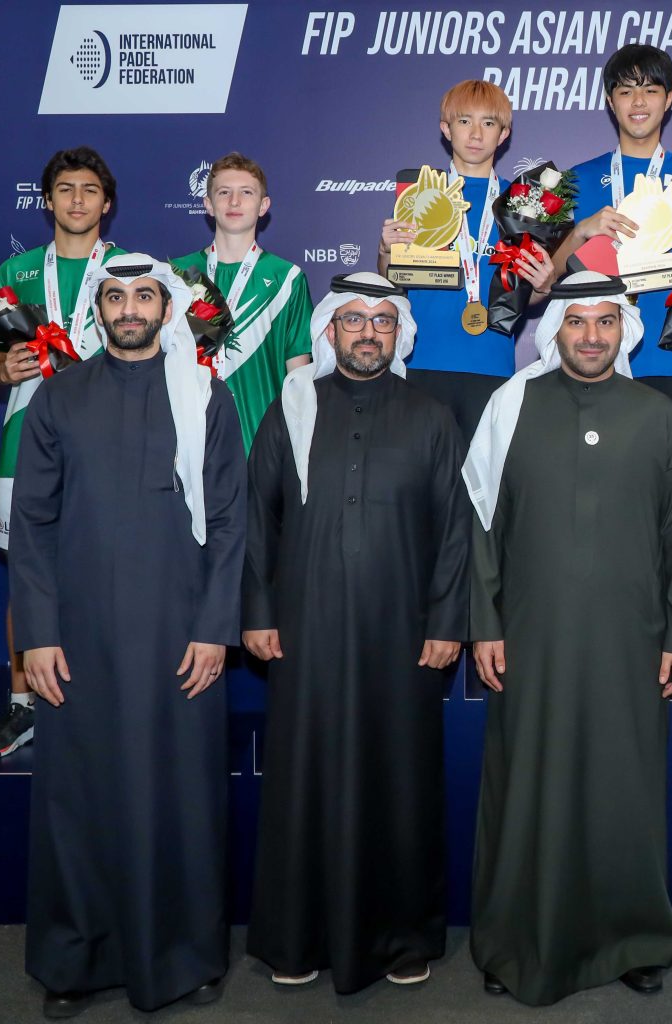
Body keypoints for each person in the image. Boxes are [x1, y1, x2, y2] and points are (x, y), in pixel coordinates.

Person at [10, 254, 246, 1017]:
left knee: (182, 799)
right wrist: (36, 635)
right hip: (78, 643)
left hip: (181, 641)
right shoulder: (58, 396)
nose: (131, 309)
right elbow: (32, 522)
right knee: (79, 802)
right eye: (116, 297)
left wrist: (215, 630)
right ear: (99, 309)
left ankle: (186, 956)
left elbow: (231, 521)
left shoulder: (206, 398)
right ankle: (76, 961)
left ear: (167, 308)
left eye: (145, 295)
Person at [463, 271, 672, 1005]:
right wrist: (485, 623)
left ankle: (633, 940)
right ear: (555, 329)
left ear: (624, 330)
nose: (592, 336)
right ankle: (512, 941)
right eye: (577, 321)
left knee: (624, 787)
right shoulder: (511, 405)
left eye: (605, 322)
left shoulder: (658, 414)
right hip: (531, 637)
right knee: (527, 782)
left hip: (634, 639)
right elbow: (480, 525)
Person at [242, 273, 469, 992]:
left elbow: (455, 531)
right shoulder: (291, 409)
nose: (368, 333)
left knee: (400, 781)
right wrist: (257, 611)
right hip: (303, 630)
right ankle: (297, 939)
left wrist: (447, 622)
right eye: (353, 320)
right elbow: (257, 517)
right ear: (329, 330)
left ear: (399, 332)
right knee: (303, 780)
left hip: (404, 636)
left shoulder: (431, 416)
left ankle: (401, 939)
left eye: (382, 321)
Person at [0, 146, 126, 760]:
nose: (78, 200)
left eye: (90, 190)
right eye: (66, 189)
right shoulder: (17, 269)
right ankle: (22, 705)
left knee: (111, 572)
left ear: (106, 204)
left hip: (109, 444)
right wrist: (3, 367)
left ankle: (105, 700)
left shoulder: (130, 270)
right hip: (28, 440)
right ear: (47, 200)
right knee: (29, 574)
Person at [553, 45, 672, 422]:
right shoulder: (578, 180)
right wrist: (581, 231)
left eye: (650, 90)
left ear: (669, 99)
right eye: (626, 91)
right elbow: (548, 277)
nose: (638, 101)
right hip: (596, 358)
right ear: (610, 101)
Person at [377, 79, 555, 439]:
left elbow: (527, 297)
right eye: (464, 121)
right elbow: (393, 281)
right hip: (422, 361)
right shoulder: (422, 192)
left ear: (503, 134)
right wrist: (384, 252)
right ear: (446, 129)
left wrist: (543, 286)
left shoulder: (524, 203)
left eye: (488, 123)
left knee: (482, 475)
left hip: (491, 365)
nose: (476, 134)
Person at [172, 151, 313, 451]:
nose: (234, 202)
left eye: (246, 193)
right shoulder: (178, 274)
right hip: (191, 441)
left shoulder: (286, 277)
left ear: (263, 206)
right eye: (224, 192)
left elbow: (299, 374)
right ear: (208, 204)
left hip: (263, 442)